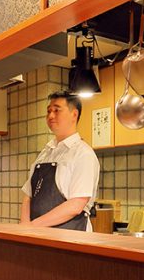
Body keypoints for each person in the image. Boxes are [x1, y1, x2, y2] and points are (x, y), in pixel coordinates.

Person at [20, 91, 100, 231]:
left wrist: (31, 226)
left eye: (57, 110)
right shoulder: (45, 153)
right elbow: (28, 195)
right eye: (49, 111)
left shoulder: (83, 154)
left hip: (70, 237)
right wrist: (25, 226)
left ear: (74, 114)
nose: (51, 116)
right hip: (37, 234)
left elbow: (76, 205)